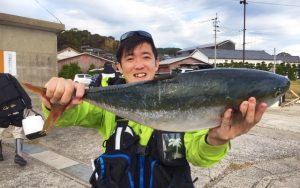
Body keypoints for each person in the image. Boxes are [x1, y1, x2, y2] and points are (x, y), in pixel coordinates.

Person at [41, 31, 267, 187]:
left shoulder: (181, 97)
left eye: (146, 57)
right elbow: (72, 115)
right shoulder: (108, 103)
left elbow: (199, 155)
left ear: (157, 63)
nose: (139, 65)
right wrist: (57, 98)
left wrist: (216, 141)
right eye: (130, 59)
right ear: (119, 67)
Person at [0, 73, 32, 166]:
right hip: (17, 108)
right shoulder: (8, 77)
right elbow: (20, 90)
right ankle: (19, 155)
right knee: (18, 131)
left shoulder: (8, 76)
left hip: (2, 111)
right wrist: (28, 104)